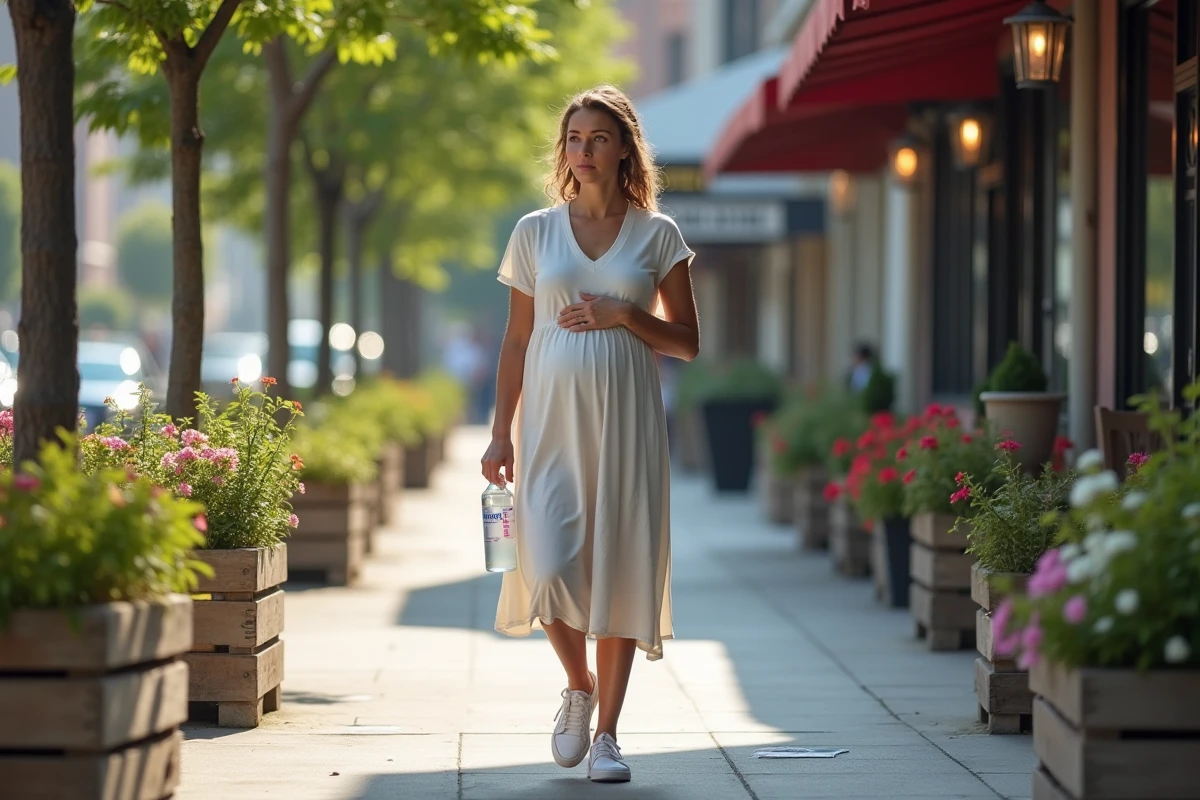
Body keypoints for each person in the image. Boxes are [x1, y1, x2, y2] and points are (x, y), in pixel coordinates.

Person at [481, 85, 699, 783]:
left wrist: (624, 315)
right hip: (548, 426)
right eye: (574, 138)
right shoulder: (534, 231)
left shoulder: (657, 235)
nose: (584, 150)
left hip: (628, 428)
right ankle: (579, 685)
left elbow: (688, 343)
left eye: (598, 137)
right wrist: (498, 434)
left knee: (620, 570)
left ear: (624, 148)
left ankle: (608, 736)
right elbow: (516, 341)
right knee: (543, 562)